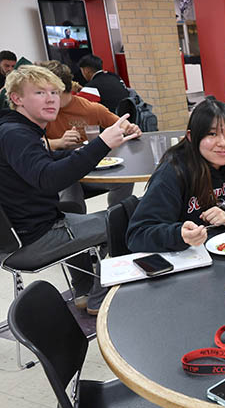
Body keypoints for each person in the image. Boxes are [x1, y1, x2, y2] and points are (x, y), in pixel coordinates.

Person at [0, 65, 136, 314]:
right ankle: (98, 297)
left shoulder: (18, 130)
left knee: (78, 211)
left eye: (54, 92)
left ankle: (84, 289)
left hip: (32, 229)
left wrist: (73, 152)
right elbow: (50, 179)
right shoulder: (16, 134)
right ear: (16, 99)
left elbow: (42, 165)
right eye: (40, 93)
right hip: (33, 240)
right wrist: (101, 144)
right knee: (129, 218)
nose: (51, 98)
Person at [126, 99, 225, 253]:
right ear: (191, 137)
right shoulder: (174, 172)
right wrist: (180, 234)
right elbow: (138, 234)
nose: (223, 143)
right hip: (192, 263)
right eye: (212, 134)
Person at [38, 60, 141, 213]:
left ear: (58, 90)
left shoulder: (88, 108)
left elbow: (121, 125)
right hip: (61, 170)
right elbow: (32, 145)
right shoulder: (38, 113)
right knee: (67, 183)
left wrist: (130, 128)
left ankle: (116, 218)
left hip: (91, 167)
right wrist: (59, 142)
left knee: (124, 180)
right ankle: (76, 225)